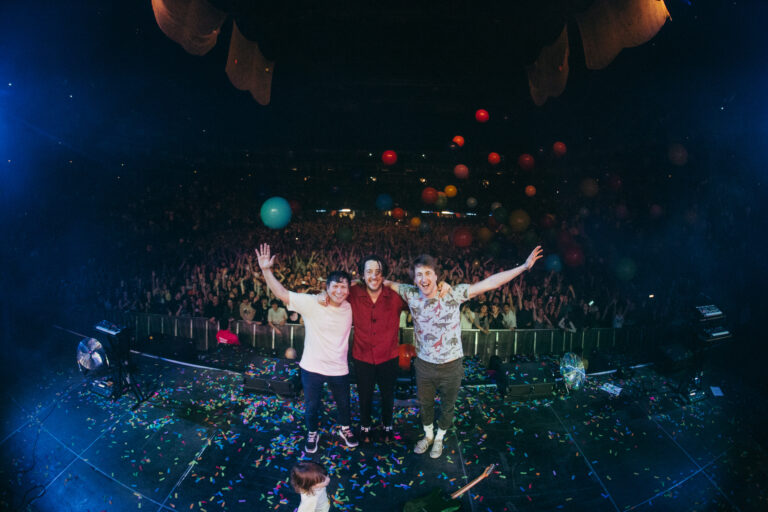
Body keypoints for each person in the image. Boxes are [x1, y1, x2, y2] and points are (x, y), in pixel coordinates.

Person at [385, 246, 542, 458]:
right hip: (424, 365)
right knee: (425, 404)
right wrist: (356, 281)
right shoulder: (410, 293)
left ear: (436, 276)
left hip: (451, 365)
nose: (424, 279)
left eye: (428, 273)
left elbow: (490, 283)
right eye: (419, 274)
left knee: (448, 406)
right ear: (414, 279)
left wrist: (523, 267)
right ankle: (428, 436)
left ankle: (439, 438)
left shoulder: (452, 294)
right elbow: (385, 282)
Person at [255, 243, 358, 453]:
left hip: (339, 368)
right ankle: (312, 432)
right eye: (335, 286)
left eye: (344, 287)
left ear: (349, 290)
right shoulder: (312, 302)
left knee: (344, 404)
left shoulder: (350, 306)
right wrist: (266, 270)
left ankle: (345, 429)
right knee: (312, 406)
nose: (339, 291)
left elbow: (364, 283)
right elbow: (282, 293)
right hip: (312, 367)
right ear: (327, 287)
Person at [345, 255, 407, 443]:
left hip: (388, 356)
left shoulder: (395, 296)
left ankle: (387, 425)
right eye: (369, 272)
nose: (374, 276)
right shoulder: (353, 293)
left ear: (384, 275)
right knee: (364, 395)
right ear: (362, 275)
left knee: (388, 395)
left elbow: (419, 294)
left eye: (378, 272)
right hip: (362, 356)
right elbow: (333, 290)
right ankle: (365, 426)